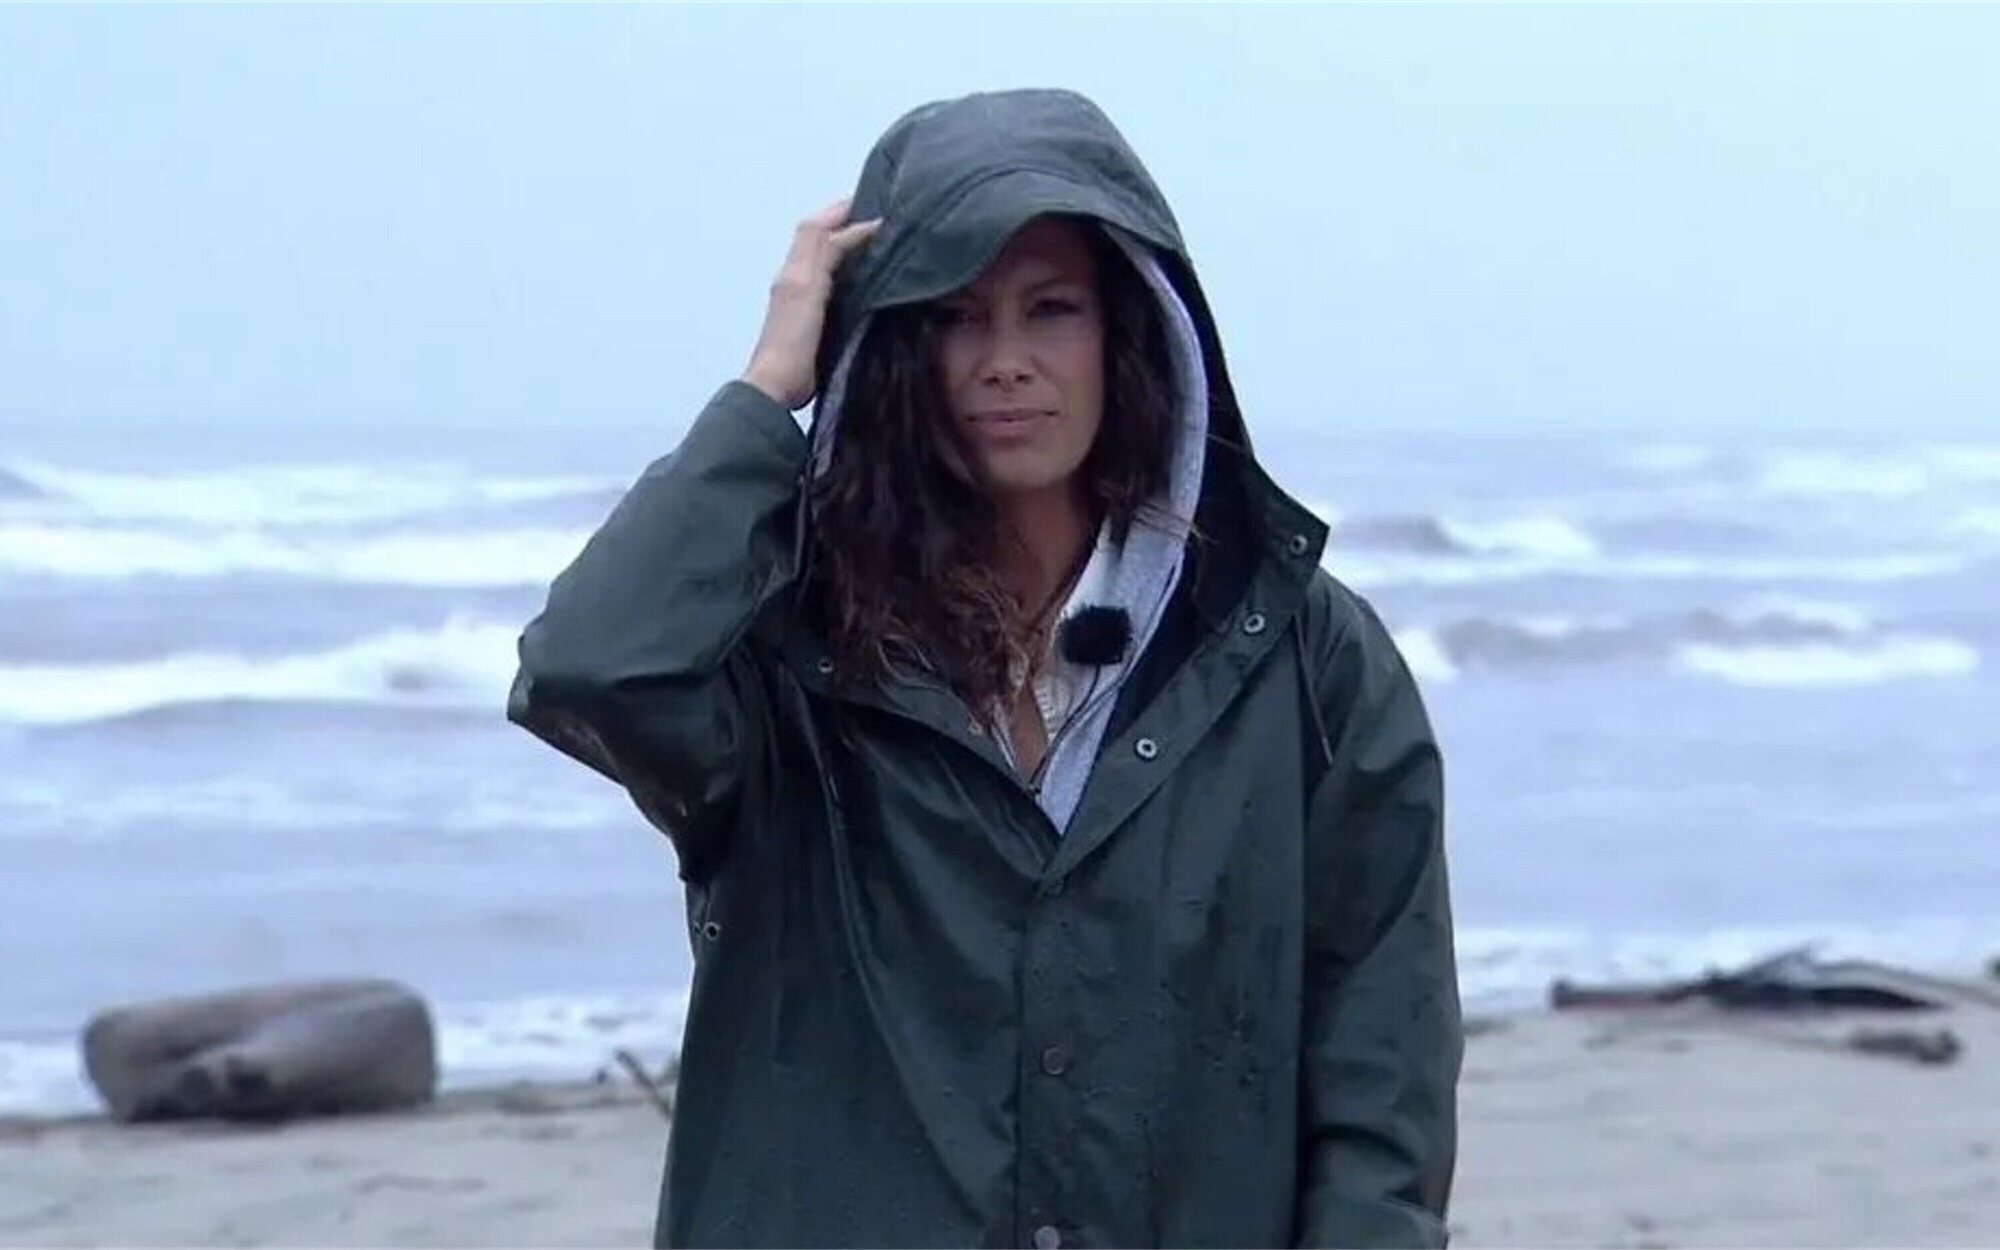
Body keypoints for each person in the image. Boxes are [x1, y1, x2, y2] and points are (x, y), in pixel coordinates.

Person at [509, 87, 1461, 1249]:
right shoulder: (783, 657)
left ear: (1129, 330)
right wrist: (769, 389)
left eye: (1049, 310)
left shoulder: (1302, 659)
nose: (1005, 362)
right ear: (892, 351)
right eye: (956, 317)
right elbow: (590, 668)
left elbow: (1380, 1063)